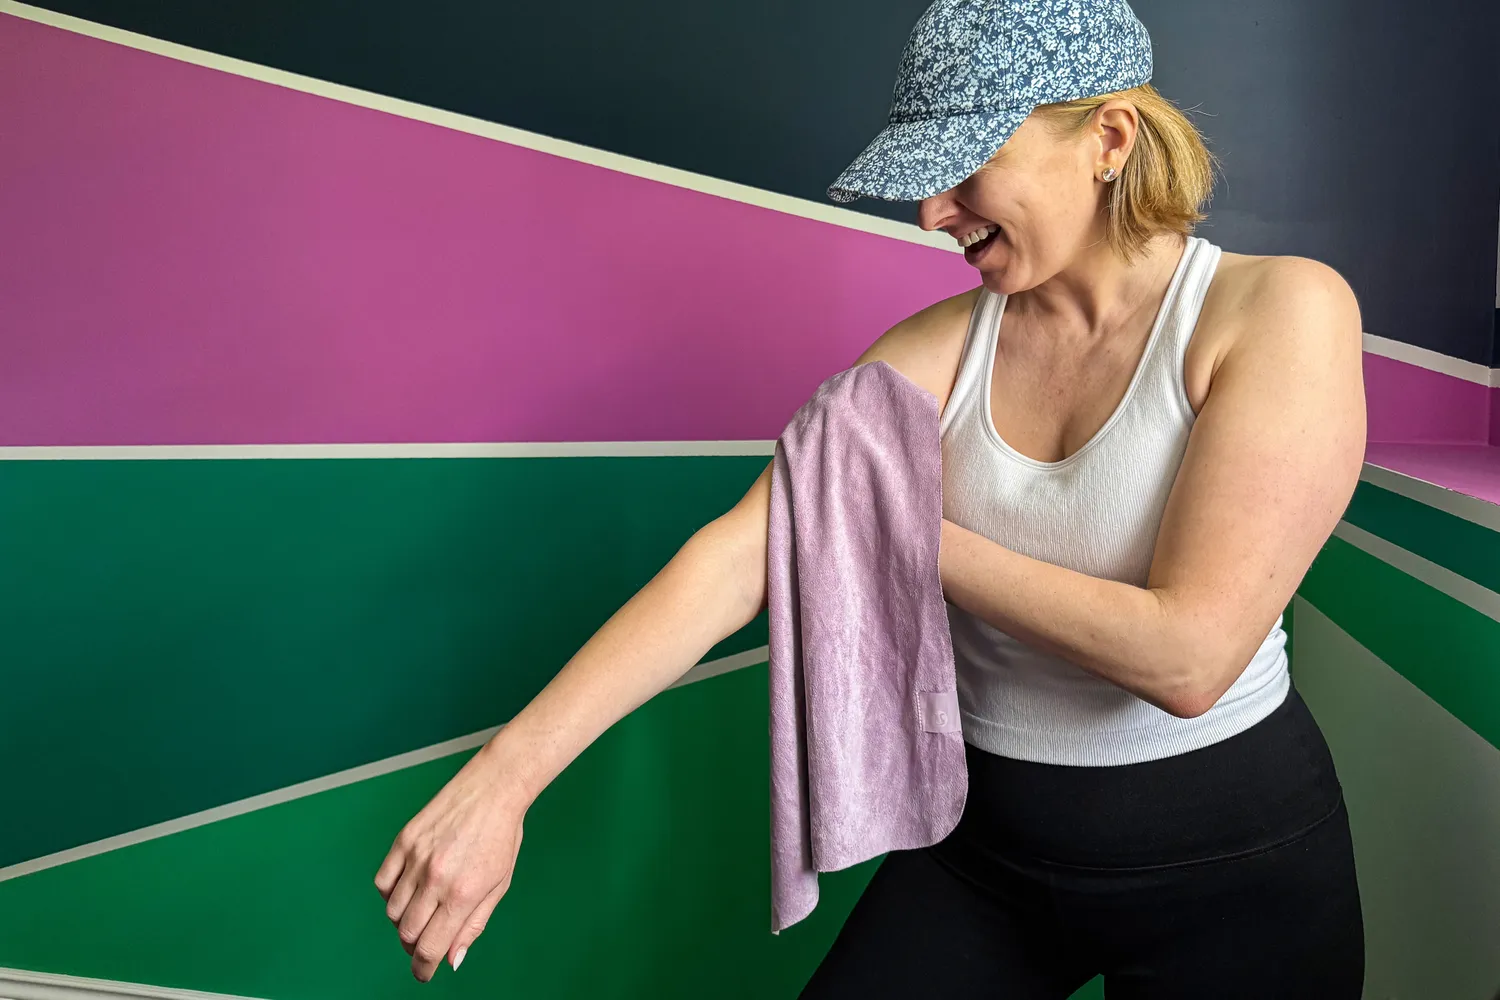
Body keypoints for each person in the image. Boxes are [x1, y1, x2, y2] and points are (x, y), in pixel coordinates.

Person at [374, 0, 1367, 994]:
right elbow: (738, 556)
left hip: (1235, 873)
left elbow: (1187, 655)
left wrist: (894, 533)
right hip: (988, 855)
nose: (932, 212)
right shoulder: (934, 352)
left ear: (1108, 137)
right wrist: (504, 783)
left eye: (964, 165)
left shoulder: (1277, 311)